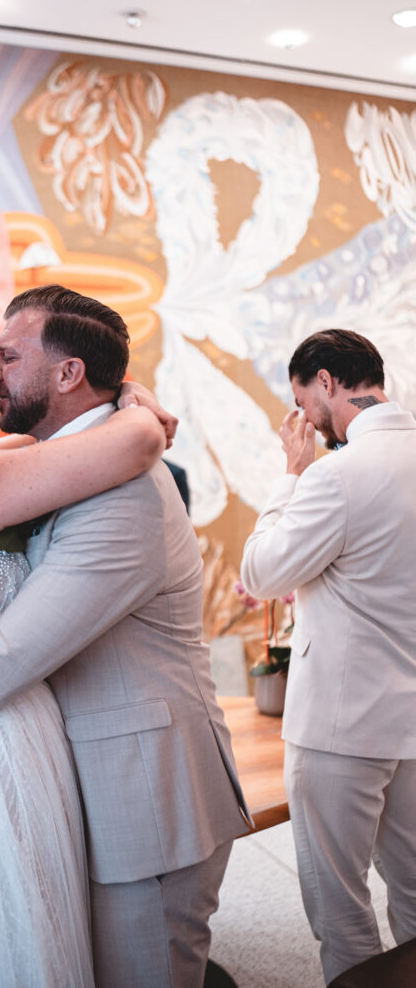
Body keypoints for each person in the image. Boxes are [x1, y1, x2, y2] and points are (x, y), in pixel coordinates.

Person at [0, 284, 252, 988]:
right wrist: (134, 407)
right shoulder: (50, 463)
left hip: (145, 796)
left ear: (68, 374)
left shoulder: (118, 494)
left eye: (6, 356)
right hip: (45, 764)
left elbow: (3, 658)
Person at [240, 329, 416, 984]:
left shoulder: (335, 475)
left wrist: (292, 473)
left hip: (341, 728)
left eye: (301, 401)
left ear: (324, 381)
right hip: (412, 724)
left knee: (338, 905)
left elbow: (261, 573)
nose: (305, 419)